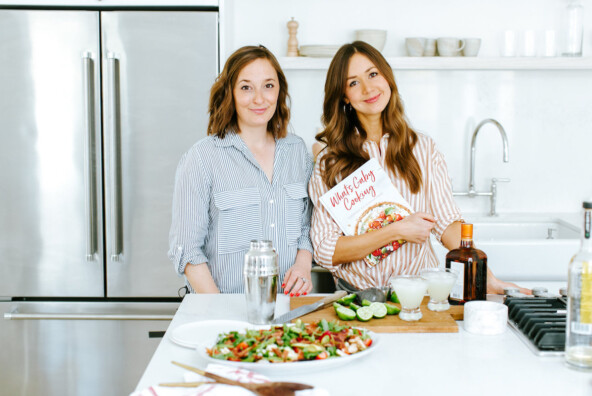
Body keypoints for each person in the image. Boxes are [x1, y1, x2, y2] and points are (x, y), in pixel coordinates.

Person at [309, 41, 530, 295]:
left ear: (387, 77)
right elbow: (327, 251)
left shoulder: (423, 148)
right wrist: (396, 230)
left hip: (419, 298)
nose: (368, 88)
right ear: (344, 96)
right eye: (353, 82)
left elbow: (446, 224)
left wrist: (485, 277)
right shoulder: (330, 162)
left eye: (373, 74)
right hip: (358, 300)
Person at [169, 45, 313, 295]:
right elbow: (186, 249)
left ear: (279, 90)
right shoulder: (202, 158)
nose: (259, 98)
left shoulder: (297, 151)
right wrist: (219, 312)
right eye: (246, 87)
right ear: (230, 93)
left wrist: (303, 264)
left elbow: (306, 227)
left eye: (268, 85)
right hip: (225, 313)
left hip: (290, 311)